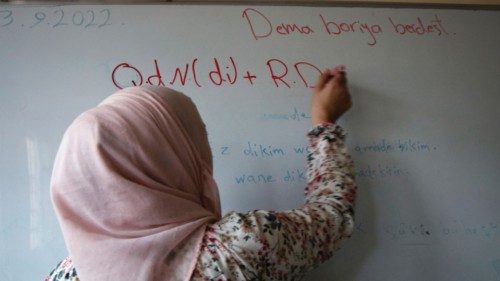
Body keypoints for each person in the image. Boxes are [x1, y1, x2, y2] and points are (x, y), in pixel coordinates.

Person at [46, 66, 356, 281]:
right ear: (170, 159)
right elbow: (332, 217)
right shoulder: (239, 248)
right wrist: (324, 123)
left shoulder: (64, 275)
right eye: (195, 138)